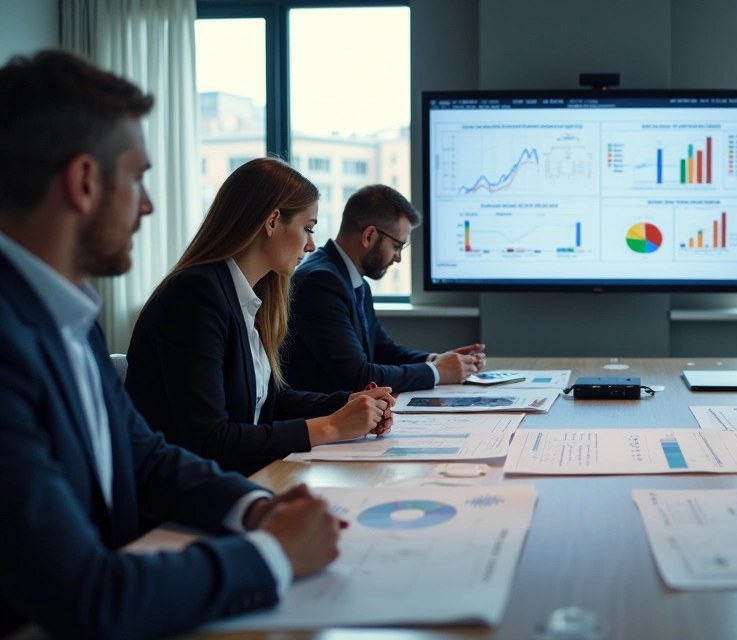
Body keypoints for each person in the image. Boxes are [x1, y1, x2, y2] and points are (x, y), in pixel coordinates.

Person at [0, 50, 341, 639]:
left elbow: (148, 457)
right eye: (137, 179)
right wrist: (274, 554)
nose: (149, 204)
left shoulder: (68, 315)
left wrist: (257, 508)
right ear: (84, 182)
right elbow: (89, 597)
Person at [125, 158, 395, 476]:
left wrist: (348, 403)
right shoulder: (195, 295)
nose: (311, 245)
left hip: (236, 481)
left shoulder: (246, 295)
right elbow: (211, 440)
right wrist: (333, 427)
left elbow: (266, 400)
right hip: (179, 504)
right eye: (308, 228)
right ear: (272, 221)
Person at [284, 184, 483, 393]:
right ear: (369, 236)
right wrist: (437, 372)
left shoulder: (352, 279)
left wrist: (439, 360)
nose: (398, 258)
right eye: (397, 246)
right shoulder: (321, 283)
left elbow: (382, 350)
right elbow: (359, 377)